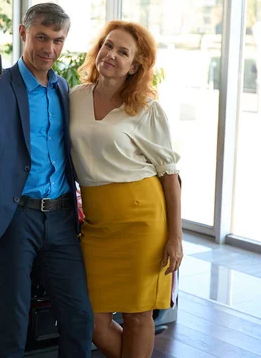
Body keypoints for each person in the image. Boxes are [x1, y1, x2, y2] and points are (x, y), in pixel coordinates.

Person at [0, 3, 93, 358]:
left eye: (58, 40)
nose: (49, 49)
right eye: (41, 37)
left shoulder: (62, 87)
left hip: (59, 216)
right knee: (13, 320)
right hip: (14, 218)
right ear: (24, 33)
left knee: (80, 316)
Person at [69, 20, 183, 358]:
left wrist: (175, 236)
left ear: (135, 65)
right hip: (97, 222)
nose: (111, 55)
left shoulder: (146, 108)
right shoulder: (75, 97)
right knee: (91, 319)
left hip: (143, 221)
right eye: (108, 45)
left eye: (123, 52)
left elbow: (170, 176)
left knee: (138, 315)